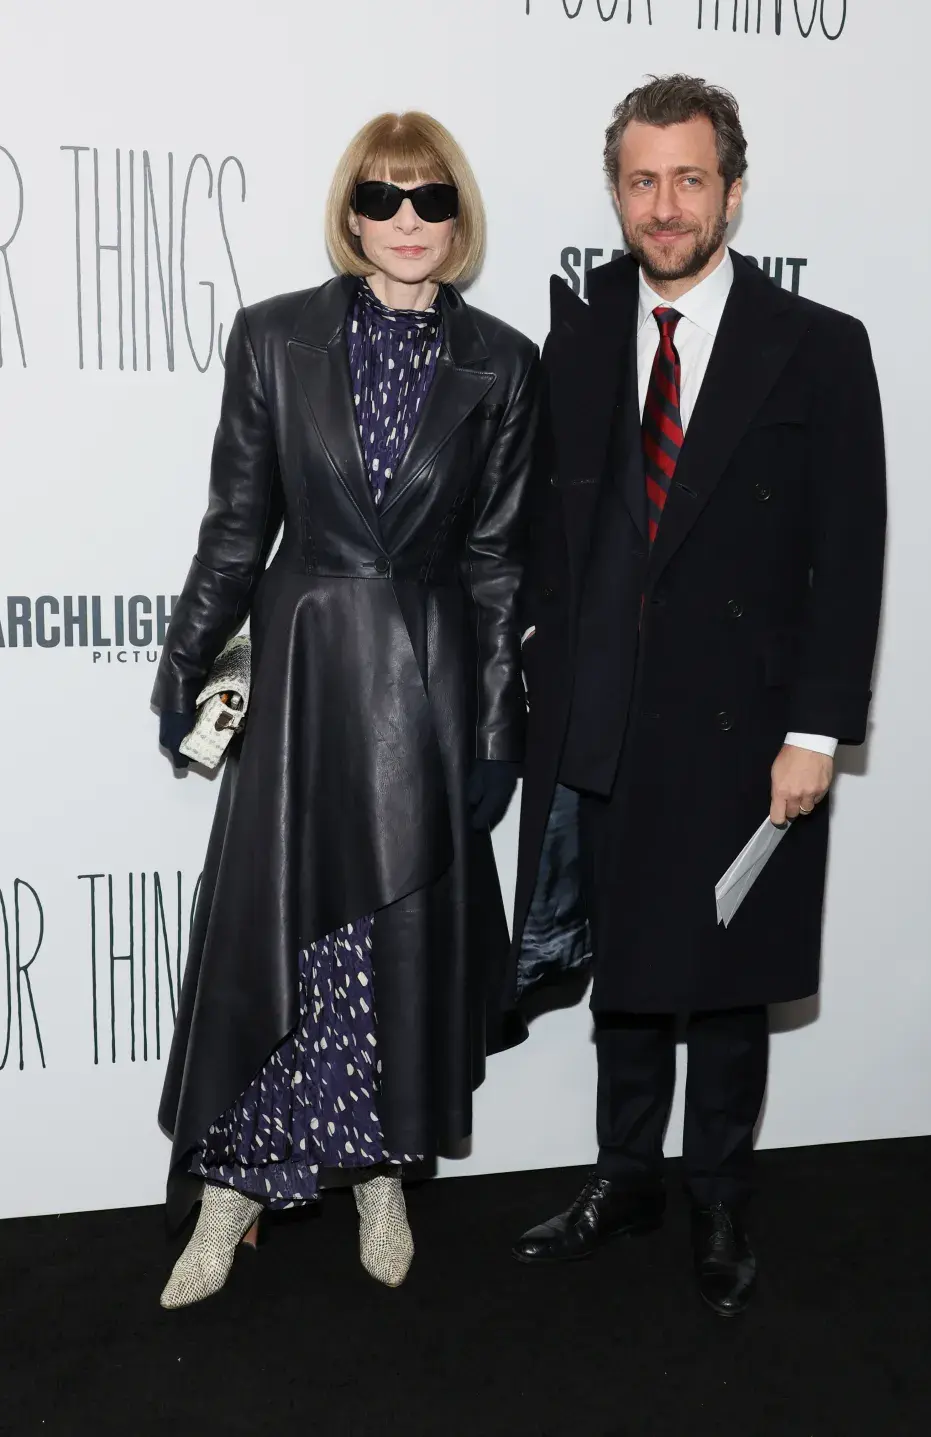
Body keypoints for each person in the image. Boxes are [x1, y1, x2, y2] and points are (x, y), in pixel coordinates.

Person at [509, 75, 886, 1316]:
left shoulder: (820, 347)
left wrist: (818, 728)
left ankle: (720, 1194)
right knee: (625, 970)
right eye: (641, 180)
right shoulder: (577, 332)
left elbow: (851, 548)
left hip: (751, 723)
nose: (664, 206)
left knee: (729, 978)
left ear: (733, 186)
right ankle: (626, 1177)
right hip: (608, 712)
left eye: (688, 178)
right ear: (615, 191)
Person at [153, 111, 540, 1308]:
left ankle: (377, 1171)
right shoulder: (274, 338)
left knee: (389, 947)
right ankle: (231, 1194)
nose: (408, 223)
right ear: (351, 212)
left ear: (460, 216)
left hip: (420, 685)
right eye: (383, 200)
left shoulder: (504, 363)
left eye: (431, 201)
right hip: (307, 671)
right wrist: (184, 660)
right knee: (278, 933)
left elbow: (496, 566)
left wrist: (492, 731)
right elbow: (236, 523)